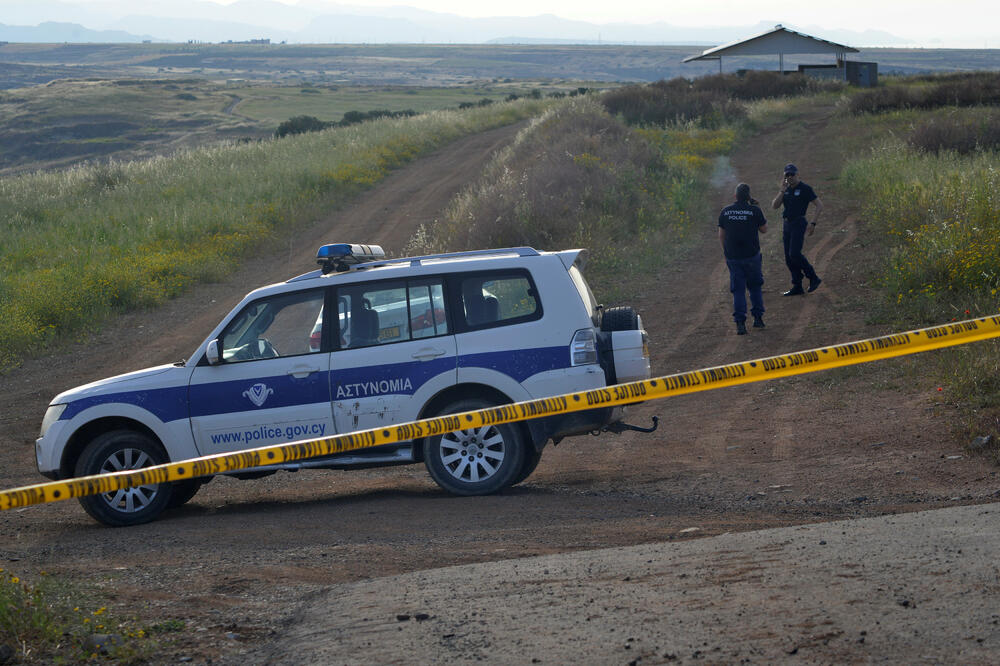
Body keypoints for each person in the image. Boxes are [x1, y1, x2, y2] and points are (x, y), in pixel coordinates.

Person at [718, 182, 768, 335]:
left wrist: (726, 253)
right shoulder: (754, 211)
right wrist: (757, 207)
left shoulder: (726, 212)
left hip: (734, 257)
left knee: (738, 291)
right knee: (755, 287)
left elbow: (721, 235)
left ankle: (740, 324)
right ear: (749, 197)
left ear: (735, 196)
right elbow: (764, 230)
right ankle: (758, 319)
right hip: (752, 256)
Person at [771, 163, 823, 296]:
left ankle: (813, 277)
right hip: (787, 224)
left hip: (799, 223)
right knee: (788, 257)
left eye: (792, 174)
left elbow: (819, 205)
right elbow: (774, 206)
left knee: (794, 253)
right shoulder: (786, 189)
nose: (790, 177)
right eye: (787, 175)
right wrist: (782, 190)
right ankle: (797, 285)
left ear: (797, 174)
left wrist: (813, 223)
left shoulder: (805, 188)